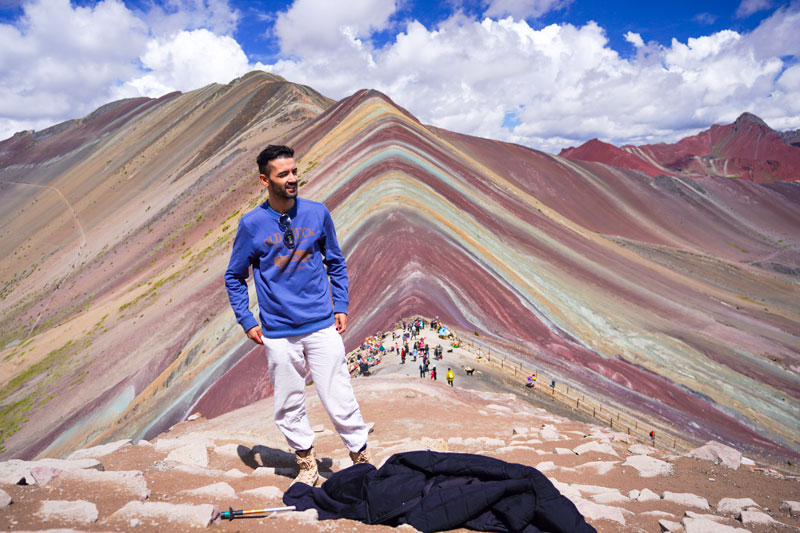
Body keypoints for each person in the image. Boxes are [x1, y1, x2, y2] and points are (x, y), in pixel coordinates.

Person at [225, 145, 370, 487]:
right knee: (288, 401)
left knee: (339, 394)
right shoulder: (252, 225)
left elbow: (335, 261)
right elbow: (234, 275)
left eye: (294, 171)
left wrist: (341, 305)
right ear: (265, 180)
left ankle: (360, 457)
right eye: (283, 174)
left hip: (321, 323)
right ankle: (306, 461)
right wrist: (246, 320)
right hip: (278, 331)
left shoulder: (317, 213)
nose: (292, 179)